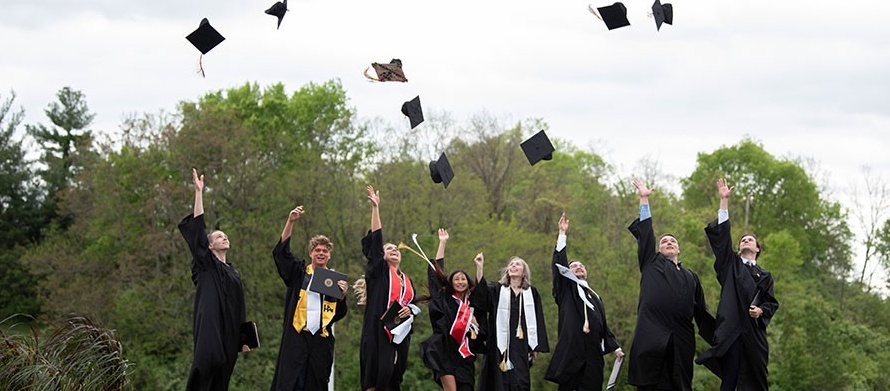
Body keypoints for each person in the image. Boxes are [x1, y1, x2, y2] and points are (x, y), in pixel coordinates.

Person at [627, 179, 715, 391]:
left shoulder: (690, 276)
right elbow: (646, 233)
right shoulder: (651, 262)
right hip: (651, 337)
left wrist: (723, 338)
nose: (668, 242)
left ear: (678, 250)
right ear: (657, 248)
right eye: (664, 241)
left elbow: (701, 312)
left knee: (680, 385)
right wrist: (644, 198)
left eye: (673, 241)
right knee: (650, 384)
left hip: (681, 341)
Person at [696, 178, 779, 391]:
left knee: (757, 379)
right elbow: (722, 239)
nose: (745, 241)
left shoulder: (765, 275)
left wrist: (760, 311)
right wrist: (724, 202)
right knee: (730, 378)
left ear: (758, 249)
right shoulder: (730, 265)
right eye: (742, 239)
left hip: (754, 334)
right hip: (732, 330)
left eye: (750, 240)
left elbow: (771, 303)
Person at [178, 168, 250, 391]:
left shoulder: (233, 273)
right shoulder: (205, 264)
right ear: (210, 246)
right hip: (210, 326)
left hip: (229, 330)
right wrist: (199, 193)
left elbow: (240, 306)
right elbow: (198, 230)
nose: (224, 236)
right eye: (219, 236)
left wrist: (245, 338)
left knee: (224, 371)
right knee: (206, 363)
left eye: (225, 235)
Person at [270, 205, 349, 391]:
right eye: (317, 250)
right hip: (297, 337)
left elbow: (338, 315)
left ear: (329, 255)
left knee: (317, 384)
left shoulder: (333, 281)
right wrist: (290, 222)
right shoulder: (300, 273)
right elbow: (281, 254)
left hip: (320, 341)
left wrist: (343, 296)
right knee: (290, 383)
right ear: (311, 253)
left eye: (325, 251)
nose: (321, 253)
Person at [545, 212, 624, 391]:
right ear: (568, 272)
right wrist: (562, 235)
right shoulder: (566, 290)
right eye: (573, 266)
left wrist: (616, 348)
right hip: (572, 351)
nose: (578, 267)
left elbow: (603, 326)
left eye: (581, 265)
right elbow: (558, 267)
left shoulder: (596, 297)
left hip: (593, 353)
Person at [359, 185, 422, 391]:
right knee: (375, 379)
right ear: (382, 255)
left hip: (399, 335)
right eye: (389, 249)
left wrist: (411, 309)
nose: (394, 250)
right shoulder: (379, 272)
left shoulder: (407, 280)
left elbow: (412, 305)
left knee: (393, 380)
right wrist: (375, 209)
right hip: (378, 331)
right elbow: (376, 242)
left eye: (396, 249)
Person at [474, 253, 550, 391]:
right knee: (497, 380)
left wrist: (535, 346)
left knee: (519, 380)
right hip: (498, 345)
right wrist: (479, 268)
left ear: (524, 272)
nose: (513, 265)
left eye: (517, 264)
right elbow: (481, 296)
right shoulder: (497, 289)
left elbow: (538, 318)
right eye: (511, 264)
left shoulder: (531, 293)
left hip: (521, 345)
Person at [420, 228, 483, 391]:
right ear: (451, 283)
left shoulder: (472, 306)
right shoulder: (445, 299)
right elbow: (436, 276)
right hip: (444, 351)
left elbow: (483, 293)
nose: (460, 281)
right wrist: (443, 243)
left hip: (464, 356)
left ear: (468, 283)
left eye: (463, 279)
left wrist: (479, 268)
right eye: (456, 279)